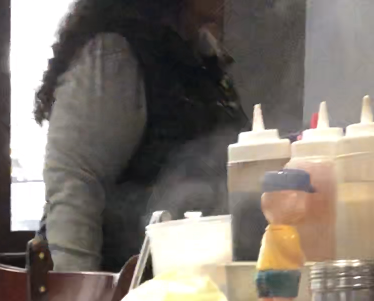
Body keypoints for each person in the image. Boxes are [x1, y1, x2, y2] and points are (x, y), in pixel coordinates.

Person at [35, 0, 247, 273]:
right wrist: (79, 293)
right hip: (128, 287)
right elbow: (76, 186)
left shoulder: (202, 58)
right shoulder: (114, 55)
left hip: (185, 281)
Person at [255, 170, 311, 301]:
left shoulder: (269, 230)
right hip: (283, 273)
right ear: (292, 200)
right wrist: (301, 260)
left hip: (262, 272)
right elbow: (292, 253)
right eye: (303, 199)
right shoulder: (287, 232)